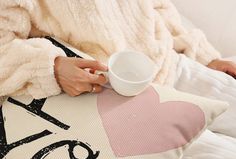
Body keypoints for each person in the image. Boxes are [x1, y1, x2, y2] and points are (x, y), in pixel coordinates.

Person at [0, 0, 236, 100]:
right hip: (107, 92)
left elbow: (155, 6)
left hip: (170, 63)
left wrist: (207, 57)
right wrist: (51, 67)